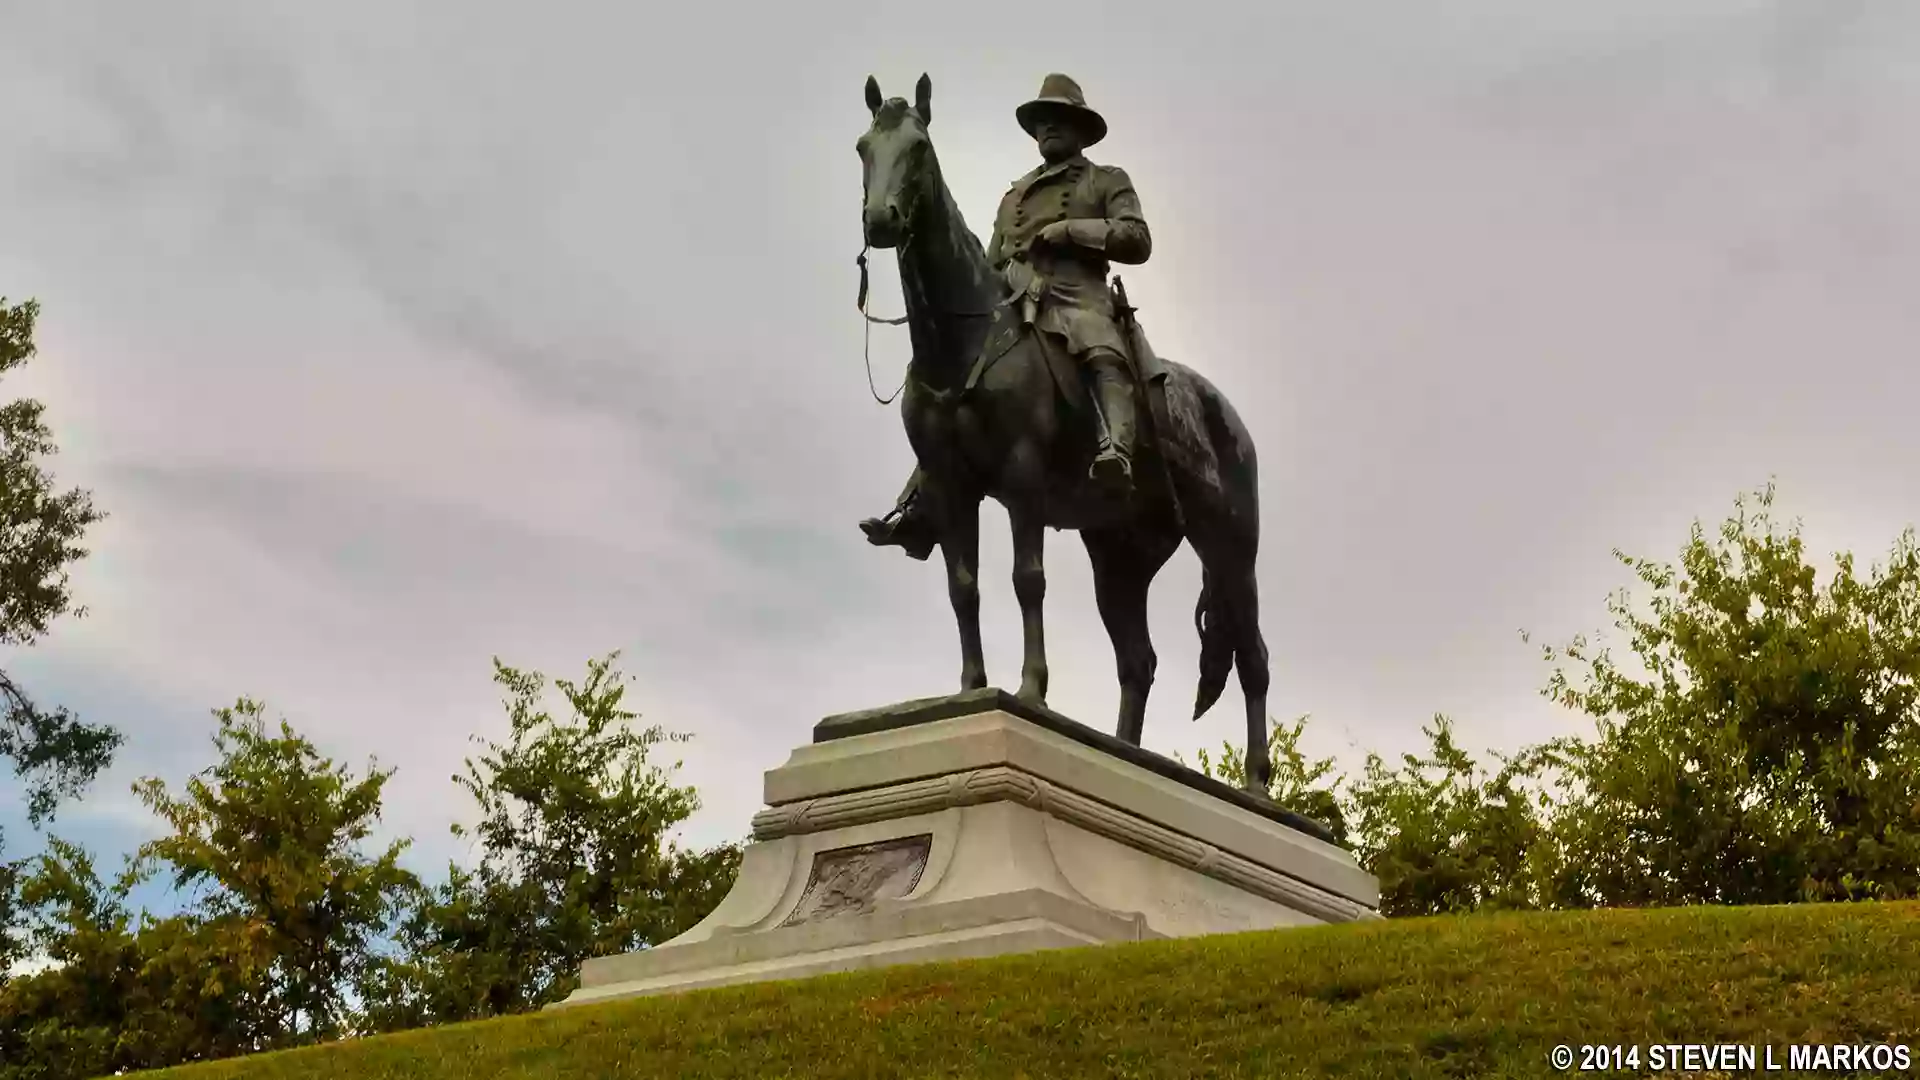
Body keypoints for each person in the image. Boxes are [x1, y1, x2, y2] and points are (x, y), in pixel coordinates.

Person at [859, 73, 1153, 560]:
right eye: (1041, 120)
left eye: (1059, 119)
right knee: (953, 386)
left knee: (1097, 342)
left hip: (1077, 296)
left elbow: (1136, 238)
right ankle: (919, 504)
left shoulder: (1106, 179)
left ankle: (1116, 448)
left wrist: (1071, 230)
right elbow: (991, 259)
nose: (1048, 129)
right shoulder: (1013, 196)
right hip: (1017, 298)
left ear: (1080, 129)